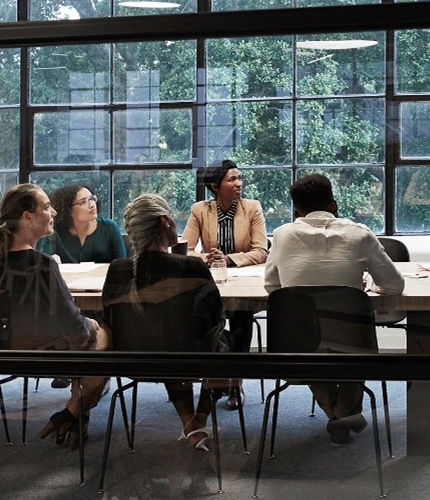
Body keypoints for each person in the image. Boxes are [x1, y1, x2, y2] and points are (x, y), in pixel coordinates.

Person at [264, 172, 404, 446]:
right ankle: (345, 415)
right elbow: (395, 286)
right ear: (334, 204)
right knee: (351, 347)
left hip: (298, 343)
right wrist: (367, 289)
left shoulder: (281, 235)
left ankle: (339, 416)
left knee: (308, 346)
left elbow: (272, 286)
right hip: (354, 342)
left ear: (297, 210)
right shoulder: (359, 234)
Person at [0, 183, 111, 449]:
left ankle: (74, 415)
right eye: (47, 207)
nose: (53, 213)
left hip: (7, 353)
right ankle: (72, 412)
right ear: (28, 216)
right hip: (51, 356)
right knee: (105, 343)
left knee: (89, 346)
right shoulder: (43, 265)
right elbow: (75, 330)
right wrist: (94, 324)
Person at [102, 194, 229, 451]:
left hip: (132, 359)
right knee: (224, 341)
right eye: (172, 217)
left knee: (167, 338)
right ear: (164, 222)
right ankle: (199, 419)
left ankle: (190, 424)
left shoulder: (117, 268)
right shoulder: (193, 266)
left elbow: (109, 318)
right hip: (187, 357)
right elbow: (216, 318)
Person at [183, 159, 268, 373]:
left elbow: (261, 251)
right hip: (212, 282)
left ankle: (236, 377)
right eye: (232, 179)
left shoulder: (252, 208)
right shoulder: (200, 210)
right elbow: (185, 249)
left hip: (242, 282)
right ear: (215, 186)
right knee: (203, 317)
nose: (239, 183)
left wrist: (229, 259)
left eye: (239, 178)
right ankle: (214, 373)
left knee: (242, 313)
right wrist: (207, 258)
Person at [39, 183, 126, 263]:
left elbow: (122, 266)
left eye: (92, 199)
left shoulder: (109, 227)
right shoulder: (56, 230)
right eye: (83, 202)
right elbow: (40, 261)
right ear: (68, 210)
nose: (92, 205)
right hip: (67, 279)